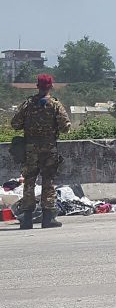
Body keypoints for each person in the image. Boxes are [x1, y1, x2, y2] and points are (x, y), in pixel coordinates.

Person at [10, 74, 71, 230]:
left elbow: (15, 124)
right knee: (48, 181)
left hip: (31, 149)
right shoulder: (55, 105)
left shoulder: (28, 104)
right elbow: (65, 127)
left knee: (29, 182)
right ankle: (48, 218)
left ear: (38, 86)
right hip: (49, 148)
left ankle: (27, 219)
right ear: (50, 86)